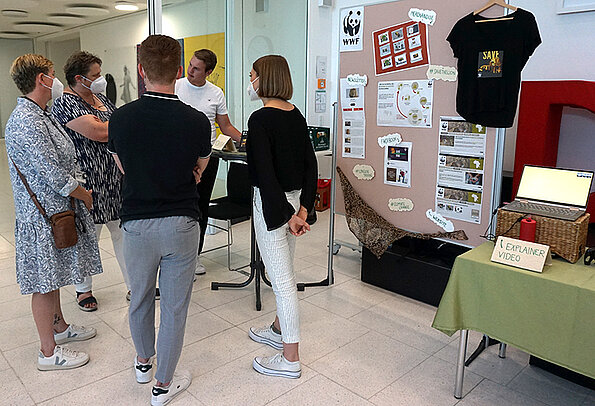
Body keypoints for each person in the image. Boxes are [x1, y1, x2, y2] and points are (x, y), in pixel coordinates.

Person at [108, 35, 211, 406]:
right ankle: (163, 385)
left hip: (135, 224)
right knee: (174, 306)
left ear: (141, 71)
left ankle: (142, 362)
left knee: (139, 298)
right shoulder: (198, 121)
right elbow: (200, 166)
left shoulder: (120, 118)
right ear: (180, 70)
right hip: (182, 223)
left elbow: (122, 166)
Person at [5, 54, 102, 370]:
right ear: (40, 80)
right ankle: (48, 352)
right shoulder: (27, 121)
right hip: (43, 216)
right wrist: (84, 195)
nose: (56, 79)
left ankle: (59, 329)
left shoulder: (40, 113)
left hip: (55, 212)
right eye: (51, 74)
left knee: (54, 276)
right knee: (44, 284)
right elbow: (53, 174)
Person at [245, 55, 317, 379]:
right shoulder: (296, 114)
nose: (251, 82)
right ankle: (277, 330)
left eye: (253, 76)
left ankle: (290, 359)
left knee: (283, 283)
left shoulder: (260, 120)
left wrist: (289, 215)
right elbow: (310, 165)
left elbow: (265, 174)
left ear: (266, 78)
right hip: (292, 205)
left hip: (273, 206)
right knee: (284, 271)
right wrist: (303, 209)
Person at [52, 51, 129, 311]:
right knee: (88, 237)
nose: (100, 79)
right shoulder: (64, 102)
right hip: (86, 180)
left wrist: (114, 126)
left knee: (121, 232)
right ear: (78, 78)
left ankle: (135, 285)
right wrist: (118, 126)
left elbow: (112, 126)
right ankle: (83, 290)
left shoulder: (101, 98)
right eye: (95, 76)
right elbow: (97, 132)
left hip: (114, 178)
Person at [175, 49, 242, 275]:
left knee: (200, 207)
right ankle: (177, 258)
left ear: (209, 72)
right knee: (180, 208)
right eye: (190, 65)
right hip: (179, 158)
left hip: (207, 159)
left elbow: (226, 127)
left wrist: (248, 140)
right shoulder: (176, 87)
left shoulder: (216, 93)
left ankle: (195, 257)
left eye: (196, 68)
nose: (190, 70)